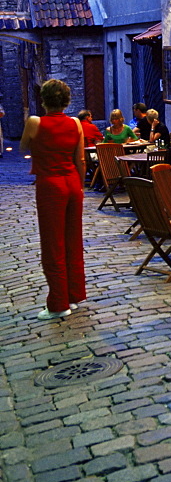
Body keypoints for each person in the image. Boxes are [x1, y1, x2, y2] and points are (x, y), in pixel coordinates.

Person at [20, 79, 86, 319]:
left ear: (44, 99)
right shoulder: (76, 123)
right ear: (66, 100)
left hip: (50, 184)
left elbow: (23, 146)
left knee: (53, 244)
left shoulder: (35, 122)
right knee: (72, 240)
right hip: (72, 183)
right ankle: (73, 294)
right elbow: (80, 159)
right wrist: (81, 187)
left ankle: (58, 303)